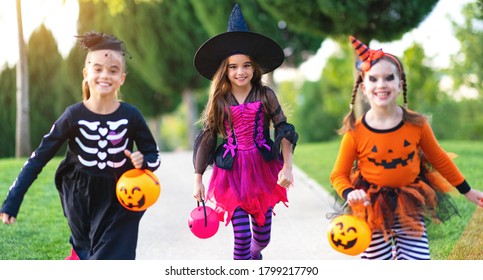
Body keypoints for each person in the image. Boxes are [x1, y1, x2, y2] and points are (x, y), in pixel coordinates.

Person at [0, 31, 161, 260]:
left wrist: (144, 161)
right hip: (79, 197)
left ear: (122, 78)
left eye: (113, 70)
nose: (105, 75)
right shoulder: (73, 115)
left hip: (120, 197)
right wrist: (12, 200)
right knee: (88, 253)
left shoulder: (131, 116)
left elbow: (153, 154)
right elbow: (39, 157)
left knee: (115, 256)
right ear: (86, 74)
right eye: (98, 69)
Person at [329, 35, 483, 260]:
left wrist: (468, 191)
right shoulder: (355, 131)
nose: (381, 84)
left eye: (389, 78)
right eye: (373, 79)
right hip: (371, 207)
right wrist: (351, 192)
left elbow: (439, 158)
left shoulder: (416, 124)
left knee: (417, 262)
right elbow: (338, 175)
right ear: (363, 87)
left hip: (409, 204)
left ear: (400, 84)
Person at [192, 4, 298, 260]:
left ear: (254, 68)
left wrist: (287, 166)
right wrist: (198, 179)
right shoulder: (220, 100)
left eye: (246, 65)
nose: (240, 71)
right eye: (233, 66)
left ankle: (254, 255)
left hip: (263, 168)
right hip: (230, 173)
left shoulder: (265, 95)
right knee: (241, 237)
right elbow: (207, 137)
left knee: (262, 238)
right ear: (225, 70)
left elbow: (284, 129)